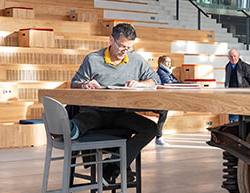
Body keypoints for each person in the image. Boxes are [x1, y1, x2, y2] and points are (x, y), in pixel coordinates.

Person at [70, 23, 158, 181]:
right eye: (122, 47)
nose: (125, 52)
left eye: (129, 48)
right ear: (111, 40)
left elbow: (155, 80)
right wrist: (84, 84)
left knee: (151, 128)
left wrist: (141, 84)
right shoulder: (93, 59)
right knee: (88, 117)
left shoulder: (136, 59)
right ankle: (70, 129)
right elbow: (75, 83)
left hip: (122, 113)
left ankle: (112, 166)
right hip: (98, 110)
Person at [153, 55, 178, 147]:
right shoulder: (161, 72)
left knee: (163, 115)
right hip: (159, 99)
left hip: (164, 98)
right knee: (163, 114)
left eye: (170, 62)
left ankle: (159, 137)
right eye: (167, 62)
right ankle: (159, 137)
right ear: (161, 63)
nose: (169, 64)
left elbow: (175, 81)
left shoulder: (168, 72)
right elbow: (168, 82)